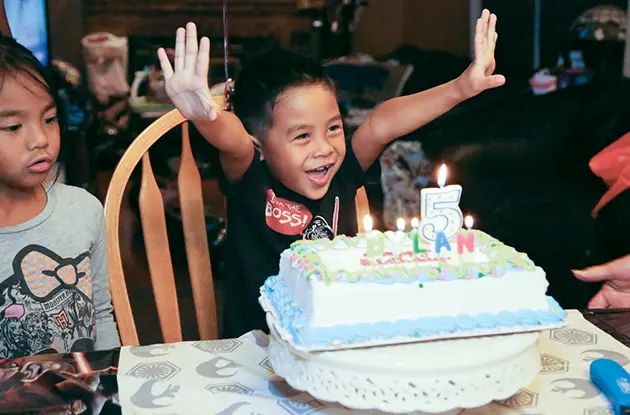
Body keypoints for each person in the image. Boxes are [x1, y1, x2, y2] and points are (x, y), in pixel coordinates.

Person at [158, 10, 505, 337]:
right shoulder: (252, 174)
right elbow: (234, 142)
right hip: (258, 355)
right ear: (260, 145)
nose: (324, 148)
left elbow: (383, 122)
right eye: (302, 136)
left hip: (336, 341)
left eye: (334, 128)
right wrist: (206, 118)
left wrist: (461, 88)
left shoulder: (344, 170)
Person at [0, 35, 120, 358]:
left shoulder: (83, 210)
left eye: (49, 119)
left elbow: (101, 315)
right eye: (13, 126)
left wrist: (111, 389)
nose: (41, 139)